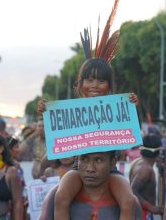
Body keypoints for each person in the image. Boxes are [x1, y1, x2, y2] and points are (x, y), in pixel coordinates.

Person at [37, 58, 139, 220]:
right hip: (79, 168)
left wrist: (131, 105)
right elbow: (59, 138)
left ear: (109, 85)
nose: (94, 85)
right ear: (80, 83)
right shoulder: (69, 110)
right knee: (60, 196)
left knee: (128, 201)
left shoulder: (116, 107)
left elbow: (128, 128)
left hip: (108, 170)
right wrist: (46, 111)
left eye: (101, 80)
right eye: (89, 80)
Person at [39, 151, 142, 220]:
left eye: (98, 160)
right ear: (77, 159)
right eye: (84, 159)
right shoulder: (56, 196)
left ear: (112, 162)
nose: (90, 168)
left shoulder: (129, 201)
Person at [129, 134, 163, 219]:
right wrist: (151, 208)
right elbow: (133, 191)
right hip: (143, 214)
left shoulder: (138, 161)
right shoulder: (145, 169)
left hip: (140, 212)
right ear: (157, 151)